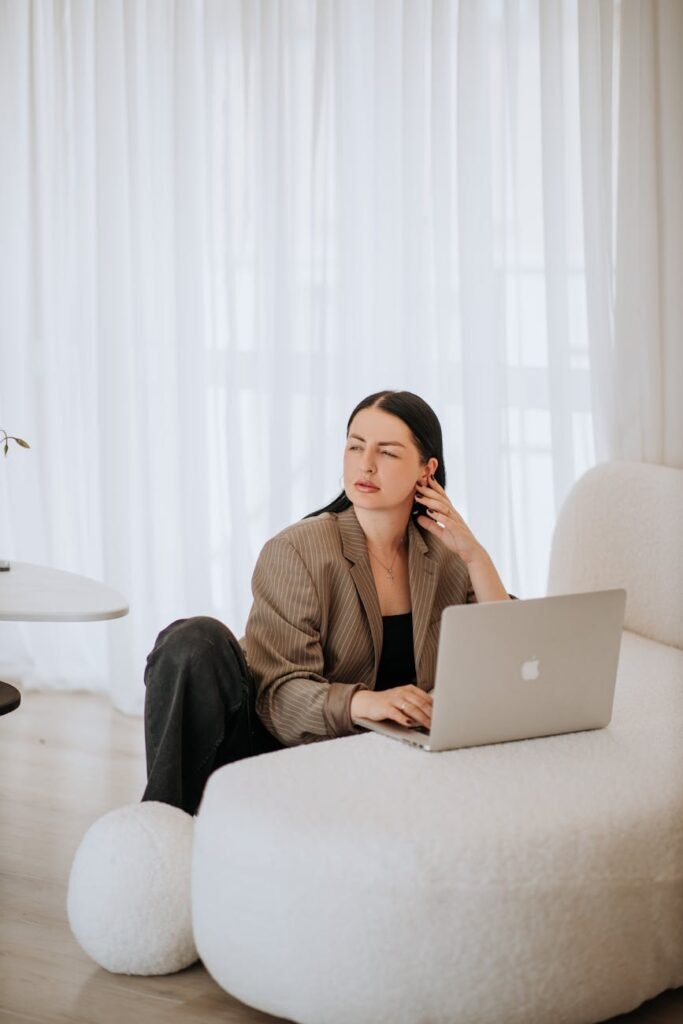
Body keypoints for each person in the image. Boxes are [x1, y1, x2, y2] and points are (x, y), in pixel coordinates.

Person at [142, 390, 516, 814]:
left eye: (388, 453)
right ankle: (163, 828)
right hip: (278, 749)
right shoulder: (298, 550)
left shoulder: (446, 557)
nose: (365, 464)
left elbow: (507, 661)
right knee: (194, 640)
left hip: (382, 767)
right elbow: (279, 699)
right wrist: (365, 703)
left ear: (426, 470)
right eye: (355, 446)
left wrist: (475, 556)